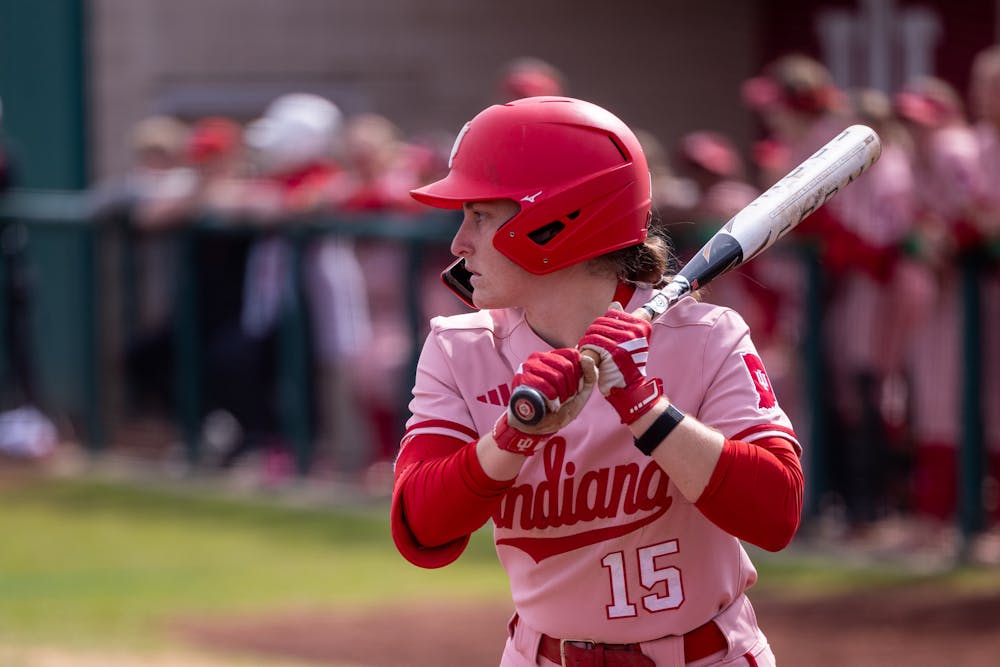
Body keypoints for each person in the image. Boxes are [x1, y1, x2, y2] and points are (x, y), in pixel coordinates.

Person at [391, 96, 803, 666]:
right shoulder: (460, 347)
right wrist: (514, 437)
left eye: (480, 216)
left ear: (554, 221)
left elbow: (776, 513)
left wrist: (646, 409)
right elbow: (422, 531)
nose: (460, 243)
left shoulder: (707, 336)